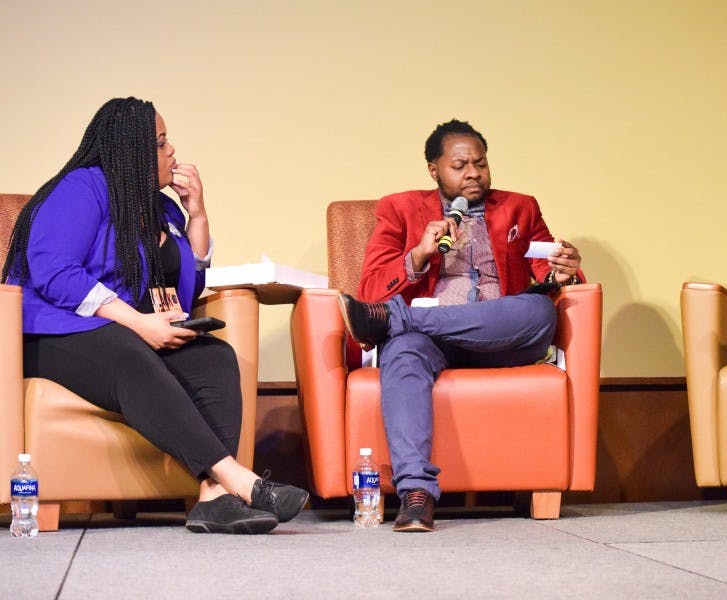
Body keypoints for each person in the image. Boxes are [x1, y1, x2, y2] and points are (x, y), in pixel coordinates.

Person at [2, 97, 308, 534]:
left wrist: (197, 214)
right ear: (130, 150)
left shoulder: (159, 207)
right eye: (160, 142)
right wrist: (139, 324)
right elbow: (54, 270)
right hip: (50, 333)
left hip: (120, 332)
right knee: (127, 351)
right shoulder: (82, 187)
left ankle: (212, 498)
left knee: (214, 357)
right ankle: (240, 480)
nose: (172, 151)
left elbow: (185, 289)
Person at [338, 119, 583, 532]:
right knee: (402, 350)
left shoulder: (520, 207)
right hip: (433, 344)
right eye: (460, 165)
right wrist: (417, 255)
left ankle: (399, 321)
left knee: (538, 312)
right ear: (434, 169)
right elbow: (371, 289)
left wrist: (566, 272)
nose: (473, 173)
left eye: (481, 164)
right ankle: (416, 495)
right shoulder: (399, 209)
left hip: (501, 336)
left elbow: (546, 274)